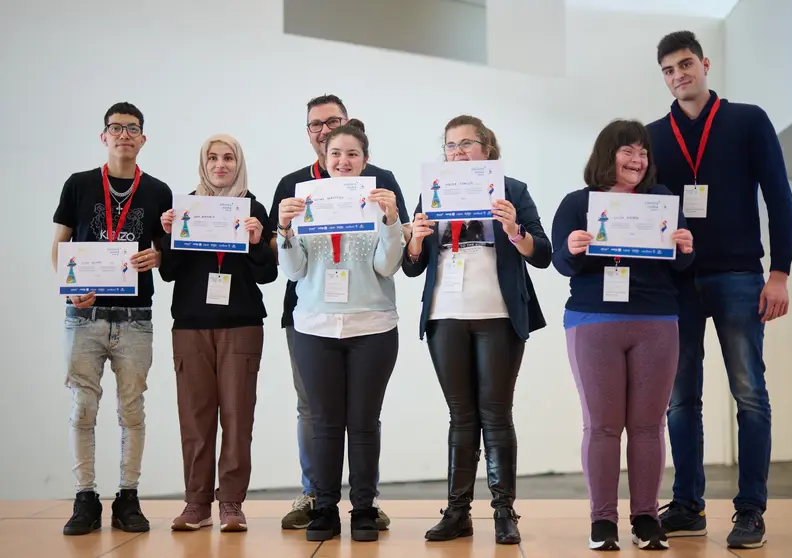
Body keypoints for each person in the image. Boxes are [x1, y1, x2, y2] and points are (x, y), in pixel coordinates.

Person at [647, 31, 792, 550]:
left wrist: (780, 272)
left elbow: (779, 197)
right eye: (668, 70)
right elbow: (640, 210)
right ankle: (688, 505)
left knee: (750, 395)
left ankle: (751, 511)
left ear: (704, 64)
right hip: (676, 283)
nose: (678, 76)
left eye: (685, 64)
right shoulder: (652, 135)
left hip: (739, 277)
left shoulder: (748, 120)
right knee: (679, 400)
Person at [402, 115, 551, 545]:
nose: (458, 152)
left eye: (467, 143)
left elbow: (542, 253)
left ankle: (504, 512)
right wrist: (415, 239)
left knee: (497, 414)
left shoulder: (513, 191)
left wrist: (514, 231)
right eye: (451, 145)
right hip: (445, 313)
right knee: (461, 416)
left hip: (499, 315)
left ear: (487, 148)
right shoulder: (431, 194)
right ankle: (457, 511)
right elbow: (414, 268)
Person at [552, 119, 695, 551]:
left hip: (655, 320)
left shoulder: (661, 201)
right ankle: (603, 522)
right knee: (602, 426)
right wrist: (574, 248)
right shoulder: (578, 203)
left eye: (643, 153)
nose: (637, 160)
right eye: (627, 151)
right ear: (606, 155)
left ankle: (647, 518)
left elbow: (683, 266)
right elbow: (560, 262)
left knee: (649, 426)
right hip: (593, 320)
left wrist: (685, 245)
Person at [268, 94, 409, 531]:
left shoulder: (378, 197)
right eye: (336, 154)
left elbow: (388, 266)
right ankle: (325, 508)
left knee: (364, 424)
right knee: (325, 423)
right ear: (324, 158)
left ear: (365, 159)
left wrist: (390, 221)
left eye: (352, 154)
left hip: (372, 324)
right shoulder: (304, 198)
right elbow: (294, 273)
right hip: (314, 326)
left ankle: (364, 508)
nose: (343, 161)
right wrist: (285, 230)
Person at [51, 102, 173, 536]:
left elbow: (167, 253)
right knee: (82, 407)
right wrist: (70, 289)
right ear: (104, 137)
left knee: (132, 410)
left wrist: (158, 256)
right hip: (84, 317)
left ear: (143, 139)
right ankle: (85, 497)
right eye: (116, 128)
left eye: (132, 128)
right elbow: (60, 245)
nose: (124, 135)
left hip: (136, 317)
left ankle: (127, 497)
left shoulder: (159, 191)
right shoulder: (79, 185)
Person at [158, 135, 278, 532]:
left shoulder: (254, 209)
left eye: (229, 158)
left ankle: (231, 503)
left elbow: (268, 274)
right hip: (191, 326)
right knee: (195, 418)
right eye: (213, 158)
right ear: (203, 163)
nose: (221, 164)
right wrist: (167, 233)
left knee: (238, 417)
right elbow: (170, 271)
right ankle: (196, 503)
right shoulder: (183, 209)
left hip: (241, 326)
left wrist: (258, 242)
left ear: (238, 163)